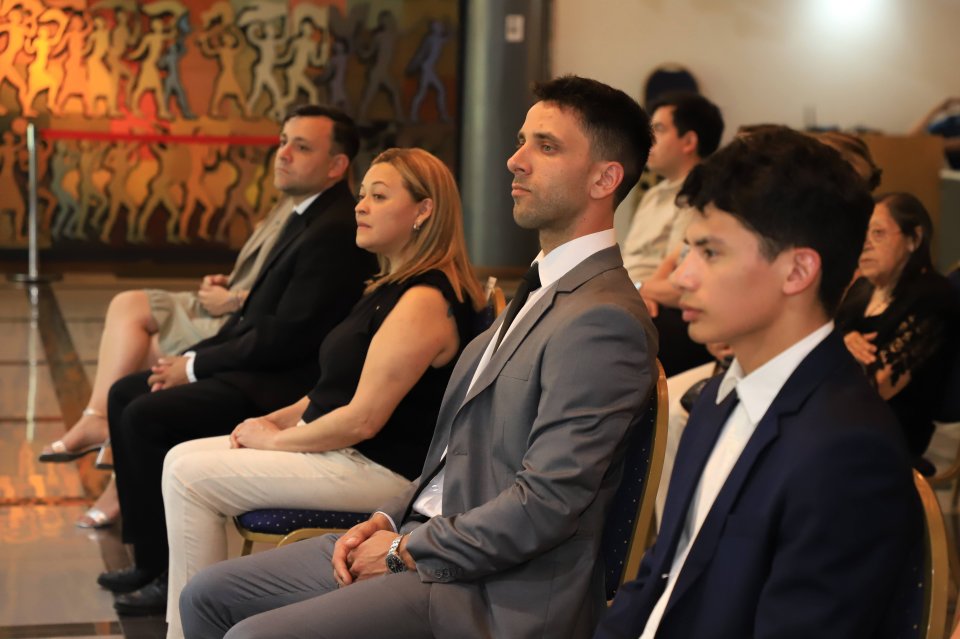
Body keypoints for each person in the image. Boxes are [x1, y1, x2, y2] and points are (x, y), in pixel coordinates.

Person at [179, 75, 657, 639]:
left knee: (251, 635)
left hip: (492, 590)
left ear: (605, 178)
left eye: (546, 146)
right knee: (206, 594)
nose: (515, 160)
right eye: (521, 141)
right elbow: (458, 455)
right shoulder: (541, 288)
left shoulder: (603, 319)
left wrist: (403, 547)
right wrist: (386, 518)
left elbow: (545, 506)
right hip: (425, 537)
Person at [596, 127, 921, 638]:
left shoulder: (848, 449)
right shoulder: (718, 397)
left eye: (710, 252)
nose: (682, 277)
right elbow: (661, 575)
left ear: (796, 271)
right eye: (689, 250)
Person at [158, 147, 484, 636]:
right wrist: (277, 419)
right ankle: (202, 614)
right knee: (180, 458)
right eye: (362, 195)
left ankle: (188, 629)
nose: (360, 206)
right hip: (342, 453)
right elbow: (331, 388)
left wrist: (275, 441)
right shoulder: (388, 285)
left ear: (423, 210)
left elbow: (363, 419)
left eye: (379, 196)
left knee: (189, 477)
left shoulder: (424, 299)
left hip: (378, 469)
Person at [97, 105, 379, 610]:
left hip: (282, 384)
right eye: (283, 141)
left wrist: (194, 367)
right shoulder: (303, 214)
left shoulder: (334, 229)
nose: (283, 154)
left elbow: (285, 336)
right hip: (261, 366)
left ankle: (164, 572)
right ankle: (149, 558)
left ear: (337, 166)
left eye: (302, 147)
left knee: (144, 413)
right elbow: (252, 318)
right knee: (127, 392)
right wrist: (190, 359)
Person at [38, 196, 295, 528]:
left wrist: (234, 299)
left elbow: (292, 306)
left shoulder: (324, 223)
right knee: (127, 304)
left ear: (336, 169)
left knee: (147, 352)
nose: (280, 165)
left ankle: (118, 477)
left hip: (241, 322)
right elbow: (266, 276)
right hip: (229, 307)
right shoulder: (285, 204)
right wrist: (226, 284)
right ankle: (98, 419)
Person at [837, 192, 960, 461]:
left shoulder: (934, 297)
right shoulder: (861, 289)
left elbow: (878, 385)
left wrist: (835, 347)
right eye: (863, 233)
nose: (865, 244)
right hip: (839, 416)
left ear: (913, 239)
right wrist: (841, 342)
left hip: (887, 435)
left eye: (878, 233)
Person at [620, 92, 723, 376]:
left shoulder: (701, 193)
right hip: (636, 295)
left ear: (689, 141)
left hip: (667, 308)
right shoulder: (653, 194)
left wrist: (637, 291)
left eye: (660, 129)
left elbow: (677, 270)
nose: (649, 139)